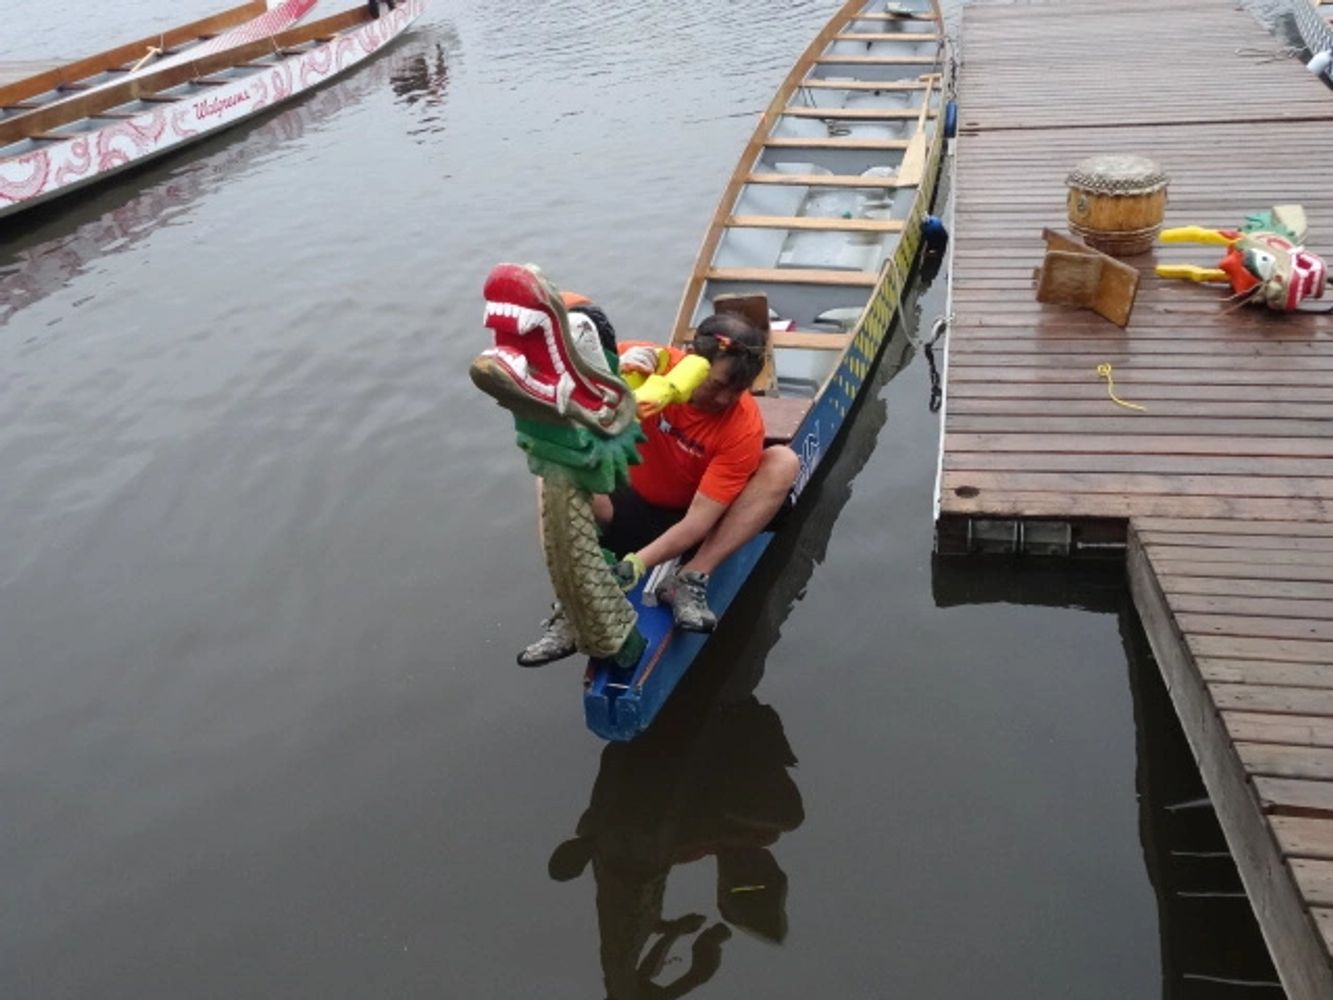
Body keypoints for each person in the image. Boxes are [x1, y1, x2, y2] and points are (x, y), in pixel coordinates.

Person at [518, 304, 800, 667]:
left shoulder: (742, 426)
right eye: (717, 386)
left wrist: (635, 566)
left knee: (783, 462)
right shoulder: (648, 361)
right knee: (553, 464)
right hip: (625, 507)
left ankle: (691, 577)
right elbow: (556, 378)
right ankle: (571, 604)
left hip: (690, 522)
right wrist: (613, 371)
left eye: (738, 389)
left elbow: (699, 520)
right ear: (693, 360)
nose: (725, 400)